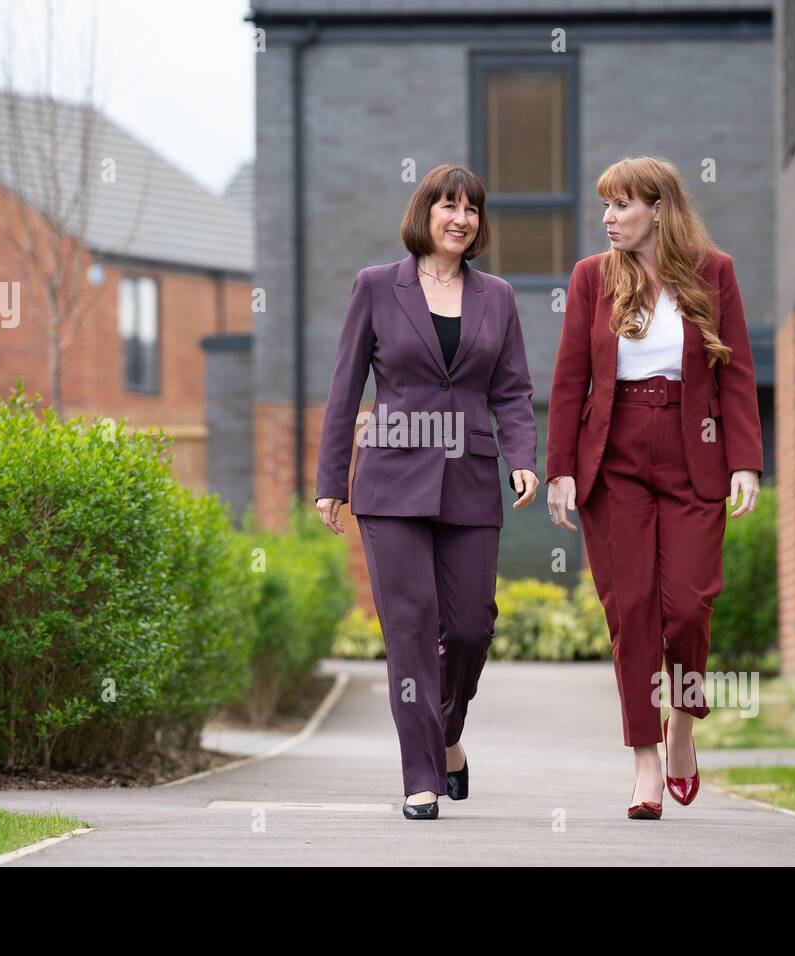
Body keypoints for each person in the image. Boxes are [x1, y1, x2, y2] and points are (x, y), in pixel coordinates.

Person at [314, 164, 539, 820]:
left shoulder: (497, 296)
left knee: (470, 628)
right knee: (410, 629)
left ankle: (445, 735)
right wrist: (332, 481)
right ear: (425, 213)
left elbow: (513, 389)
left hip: (469, 478)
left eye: (471, 209)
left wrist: (522, 458)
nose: (460, 218)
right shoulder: (377, 287)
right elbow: (344, 386)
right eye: (448, 205)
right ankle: (421, 777)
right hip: (390, 482)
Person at [545, 156, 763, 820]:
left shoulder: (713, 271)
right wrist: (561, 468)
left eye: (622, 205)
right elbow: (567, 379)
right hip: (612, 457)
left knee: (690, 605)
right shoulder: (591, 278)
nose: (609, 218)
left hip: (694, 448)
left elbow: (738, 373)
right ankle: (644, 756)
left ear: (658, 209)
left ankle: (684, 725)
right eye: (605, 207)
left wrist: (744, 461)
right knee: (632, 609)